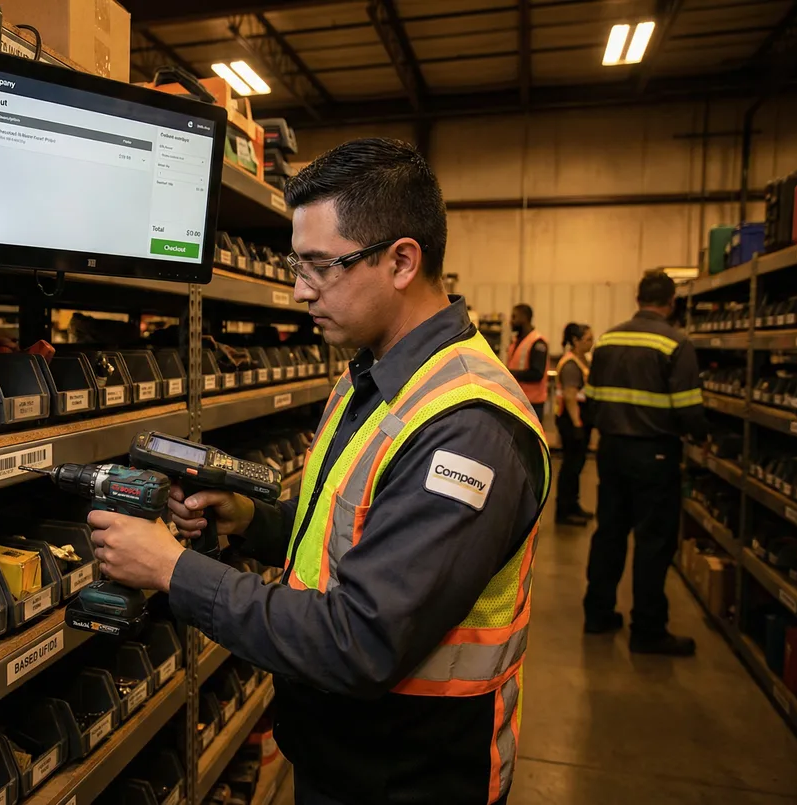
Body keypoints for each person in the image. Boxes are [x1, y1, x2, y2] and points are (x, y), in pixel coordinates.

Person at [85, 138, 550, 805]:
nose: (300, 290)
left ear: (401, 261)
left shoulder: (468, 429)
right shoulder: (372, 374)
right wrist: (253, 521)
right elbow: (351, 535)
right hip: (344, 756)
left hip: (412, 778)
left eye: (319, 266)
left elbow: (360, 639)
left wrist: (171, 569)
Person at [582, 270, 707, 655]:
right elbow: (688, 409)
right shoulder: (676, 343)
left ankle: (598, 614)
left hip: (611, 450)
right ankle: (648, 630)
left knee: (610, 533)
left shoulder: (607, 340)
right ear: (671, 303)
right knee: (653, 541)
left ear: (637, 299)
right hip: (655, 453)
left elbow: (592, 401)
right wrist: (701, 436)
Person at [554, 322, 594, 526]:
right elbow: (570, 397)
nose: (591, 343)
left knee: (577, 465)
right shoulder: (571, 365)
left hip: (579, 419)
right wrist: (577, 424)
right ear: (576, 341)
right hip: (571, 421)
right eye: (588, 339)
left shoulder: (582, 361)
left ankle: (574, 505)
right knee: (571, 466)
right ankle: (565, 511)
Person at [506, 304, 549, 425]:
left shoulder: (537, 342)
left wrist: (508, 373)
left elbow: (537, 374)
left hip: (532, 403)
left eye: (514, 317)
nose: (511, 321)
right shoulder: (516, 341)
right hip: (517, 401)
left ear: (524, 318)